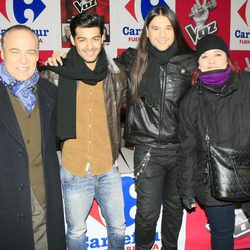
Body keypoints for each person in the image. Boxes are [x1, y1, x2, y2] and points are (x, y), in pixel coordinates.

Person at [41, 12, 127, 250]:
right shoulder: (55, 73)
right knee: (77, 232)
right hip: (74, 168)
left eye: (95, 39)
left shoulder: (116, 75)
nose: (89, 46)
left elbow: (134, 107)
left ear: (103, 38)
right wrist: (49, 63)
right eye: (82, 39)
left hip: (107, 168)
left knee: (118, 228)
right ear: (72, 39)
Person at [116, 6, 197, 250]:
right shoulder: (132, 60)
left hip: (181, 150)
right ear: (147, 33)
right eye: (155, 28)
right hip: (149, 151)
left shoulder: (191, 61)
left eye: (167, 28)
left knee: (174, 210)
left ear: (175, 30)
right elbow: (97, 71)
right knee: (147, 213)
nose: (162, 34)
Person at [177, 34, 250, 250]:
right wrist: (186, 188)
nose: (212, 60)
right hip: (211, 179)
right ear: (198, 63)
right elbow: (187, 149)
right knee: (222, 233)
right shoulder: (190, 100)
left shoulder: (247, 84)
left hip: (249, 170)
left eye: (218, 54)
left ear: (227, 58)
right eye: (205, 56)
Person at [0, 25, 66, 250]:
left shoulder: (50, 92)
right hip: (6, 207)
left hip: (44, 205)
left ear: (38, 55)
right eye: (15, 51)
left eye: (30, 52)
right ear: (2, 52)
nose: (23, 60)